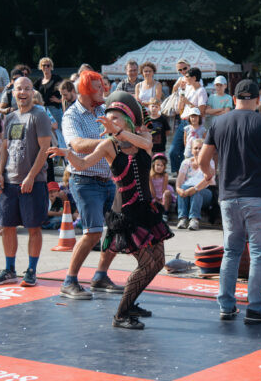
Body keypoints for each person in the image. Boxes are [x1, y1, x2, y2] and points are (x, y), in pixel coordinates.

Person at [48, 90, 174, 329]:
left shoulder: (141, 139)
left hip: (147, 211)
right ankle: (121, 315)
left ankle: (132, 300)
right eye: (108, 117)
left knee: (158, 262)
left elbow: (147, 143)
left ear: (127, 120)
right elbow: (84, 163)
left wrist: (120, 130)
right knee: (147, 263)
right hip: (127, 215)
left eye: (115, 117)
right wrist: (68, 155)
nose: (109, 120)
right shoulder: (109, 145)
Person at [199, 79, 261, 323]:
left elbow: (201, 159)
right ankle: (256, 309)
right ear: (258, 99)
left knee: (231, 251)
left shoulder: (219, 122)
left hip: (228, 197)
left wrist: (210, 174)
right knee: (260, 253)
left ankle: (226, 306)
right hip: (257, 197)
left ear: (233, 97)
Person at [57, 70, 122, 300]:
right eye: (98, 87)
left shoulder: (104, 110)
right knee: (93, 233)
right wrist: (111, 141)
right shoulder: (72, 115)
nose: (103, 90)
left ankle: (100, 276)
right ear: (85, 90)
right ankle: (69, 280)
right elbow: (77, 144)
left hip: (108, 180)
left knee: (115, 230)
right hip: (85, 181)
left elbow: (122, 132)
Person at [0, 77, 52, 287]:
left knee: (34, 227)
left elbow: (45, 149)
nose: (23, 92)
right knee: (7, 226)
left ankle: (32, 271)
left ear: (32, 91)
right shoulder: (10, 118)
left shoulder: (40, 115)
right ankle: (9, 270)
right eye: (19, 89)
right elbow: (5, 149)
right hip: (10, 182)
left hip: (34, 183)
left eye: (27, 88)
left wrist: (31, 176)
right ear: (13, 92)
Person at [169, 66, 207, 176]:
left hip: (194, 124)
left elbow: (202, 111)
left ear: (194, 78)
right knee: (173, 151)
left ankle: (190, 173)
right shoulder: (189, 87)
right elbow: (181, 105)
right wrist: (182, 101)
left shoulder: (201, 91)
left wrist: (188, 102)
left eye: (188, 77)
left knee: (192, 152)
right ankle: (179, 173)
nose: (185, 79)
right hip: (183, 121)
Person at [176, 139, 215, 231]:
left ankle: (194, 219)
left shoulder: (210, 162)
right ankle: (183, 218)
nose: (198, 150)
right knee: (183, 188)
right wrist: (178, 189)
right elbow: (179, 180)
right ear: (192, 150)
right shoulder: (186, 162)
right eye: (196, 148)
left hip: (205, 192)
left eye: (200, 148)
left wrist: (195, 188)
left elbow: (208, 180)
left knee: (197, 192)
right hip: (188, 191)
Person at [33, 57, 63, 128]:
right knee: (44, 129)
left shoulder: (56, 78)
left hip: (54, 109)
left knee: (58, 131)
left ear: (51, 67)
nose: (46, 67)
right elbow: (31, 90)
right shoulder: (39, 81)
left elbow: (66, 89)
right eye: (44, 65)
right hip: (42, 109)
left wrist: (59, 100)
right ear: (41, 67)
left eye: (48, 65)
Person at [149, 153, 175, 222]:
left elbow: (164, 188)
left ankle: (165, 213)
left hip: (162, 192)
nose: (159, 167)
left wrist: (161, 199)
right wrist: (155, 199)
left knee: (167, 193)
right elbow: (151, 189)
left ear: (164, 167)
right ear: (153, 165)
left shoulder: (165, 175)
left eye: (161, 165)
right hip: (153, 193)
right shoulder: (150, 176)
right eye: (158, 165)